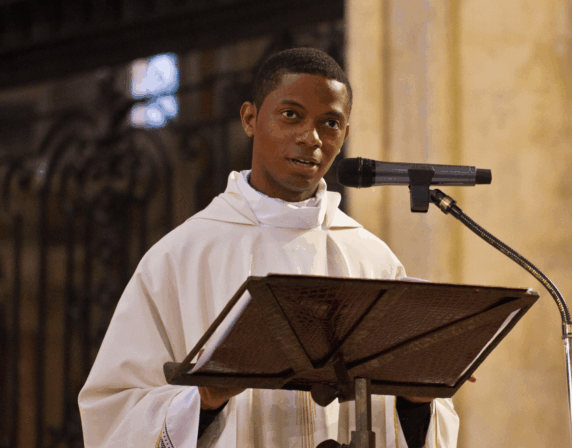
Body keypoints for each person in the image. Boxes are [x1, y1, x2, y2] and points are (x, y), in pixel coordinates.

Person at [78, 47, 459, 448]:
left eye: (330, 123)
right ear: (250, 119)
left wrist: (417, 400)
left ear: (345, 135)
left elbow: (415, 420)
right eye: (291, 115)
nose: (311, 138)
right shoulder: (181, 257)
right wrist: (203, 401)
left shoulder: (372, 259)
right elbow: (113, 414)